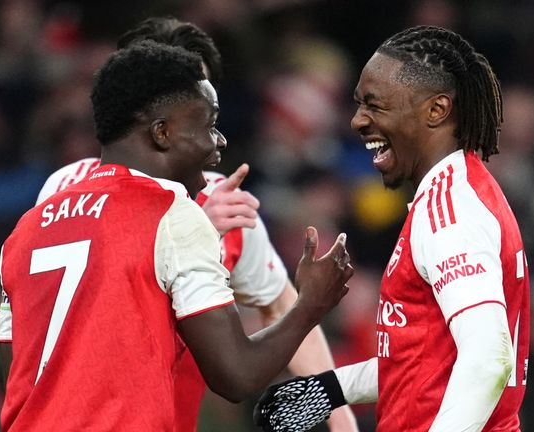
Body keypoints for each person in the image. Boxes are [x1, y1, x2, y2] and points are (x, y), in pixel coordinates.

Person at [19, 16, 358, 431]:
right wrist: (195, 230)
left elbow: (278, 305)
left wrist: (340, 419)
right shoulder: (77, 187)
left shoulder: (227, 205)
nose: (213, 136)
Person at [254, 25, 530, 432]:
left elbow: (488, 358)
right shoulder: (458, 192)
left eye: (376, 106)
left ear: (436, 111)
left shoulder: (449, 212)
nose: (357, 121)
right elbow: (425, 360)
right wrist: (333, 388)